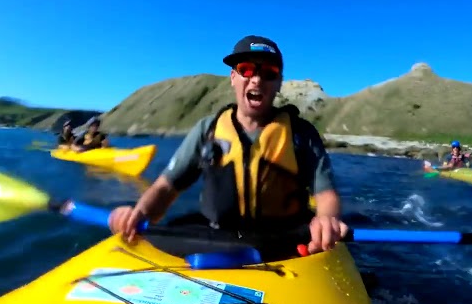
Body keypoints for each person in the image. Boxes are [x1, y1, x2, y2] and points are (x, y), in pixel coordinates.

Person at [108, 35, 348, 256]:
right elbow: (165, 188)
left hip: (285, 242)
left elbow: (326, 195)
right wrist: (138, 214)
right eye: (246, 70)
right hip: (218, 238)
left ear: (278, 83)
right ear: (233, 78)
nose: (256, 79)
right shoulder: (207, 130)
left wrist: (326, 219)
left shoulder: (301, 134)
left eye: (269, 72)